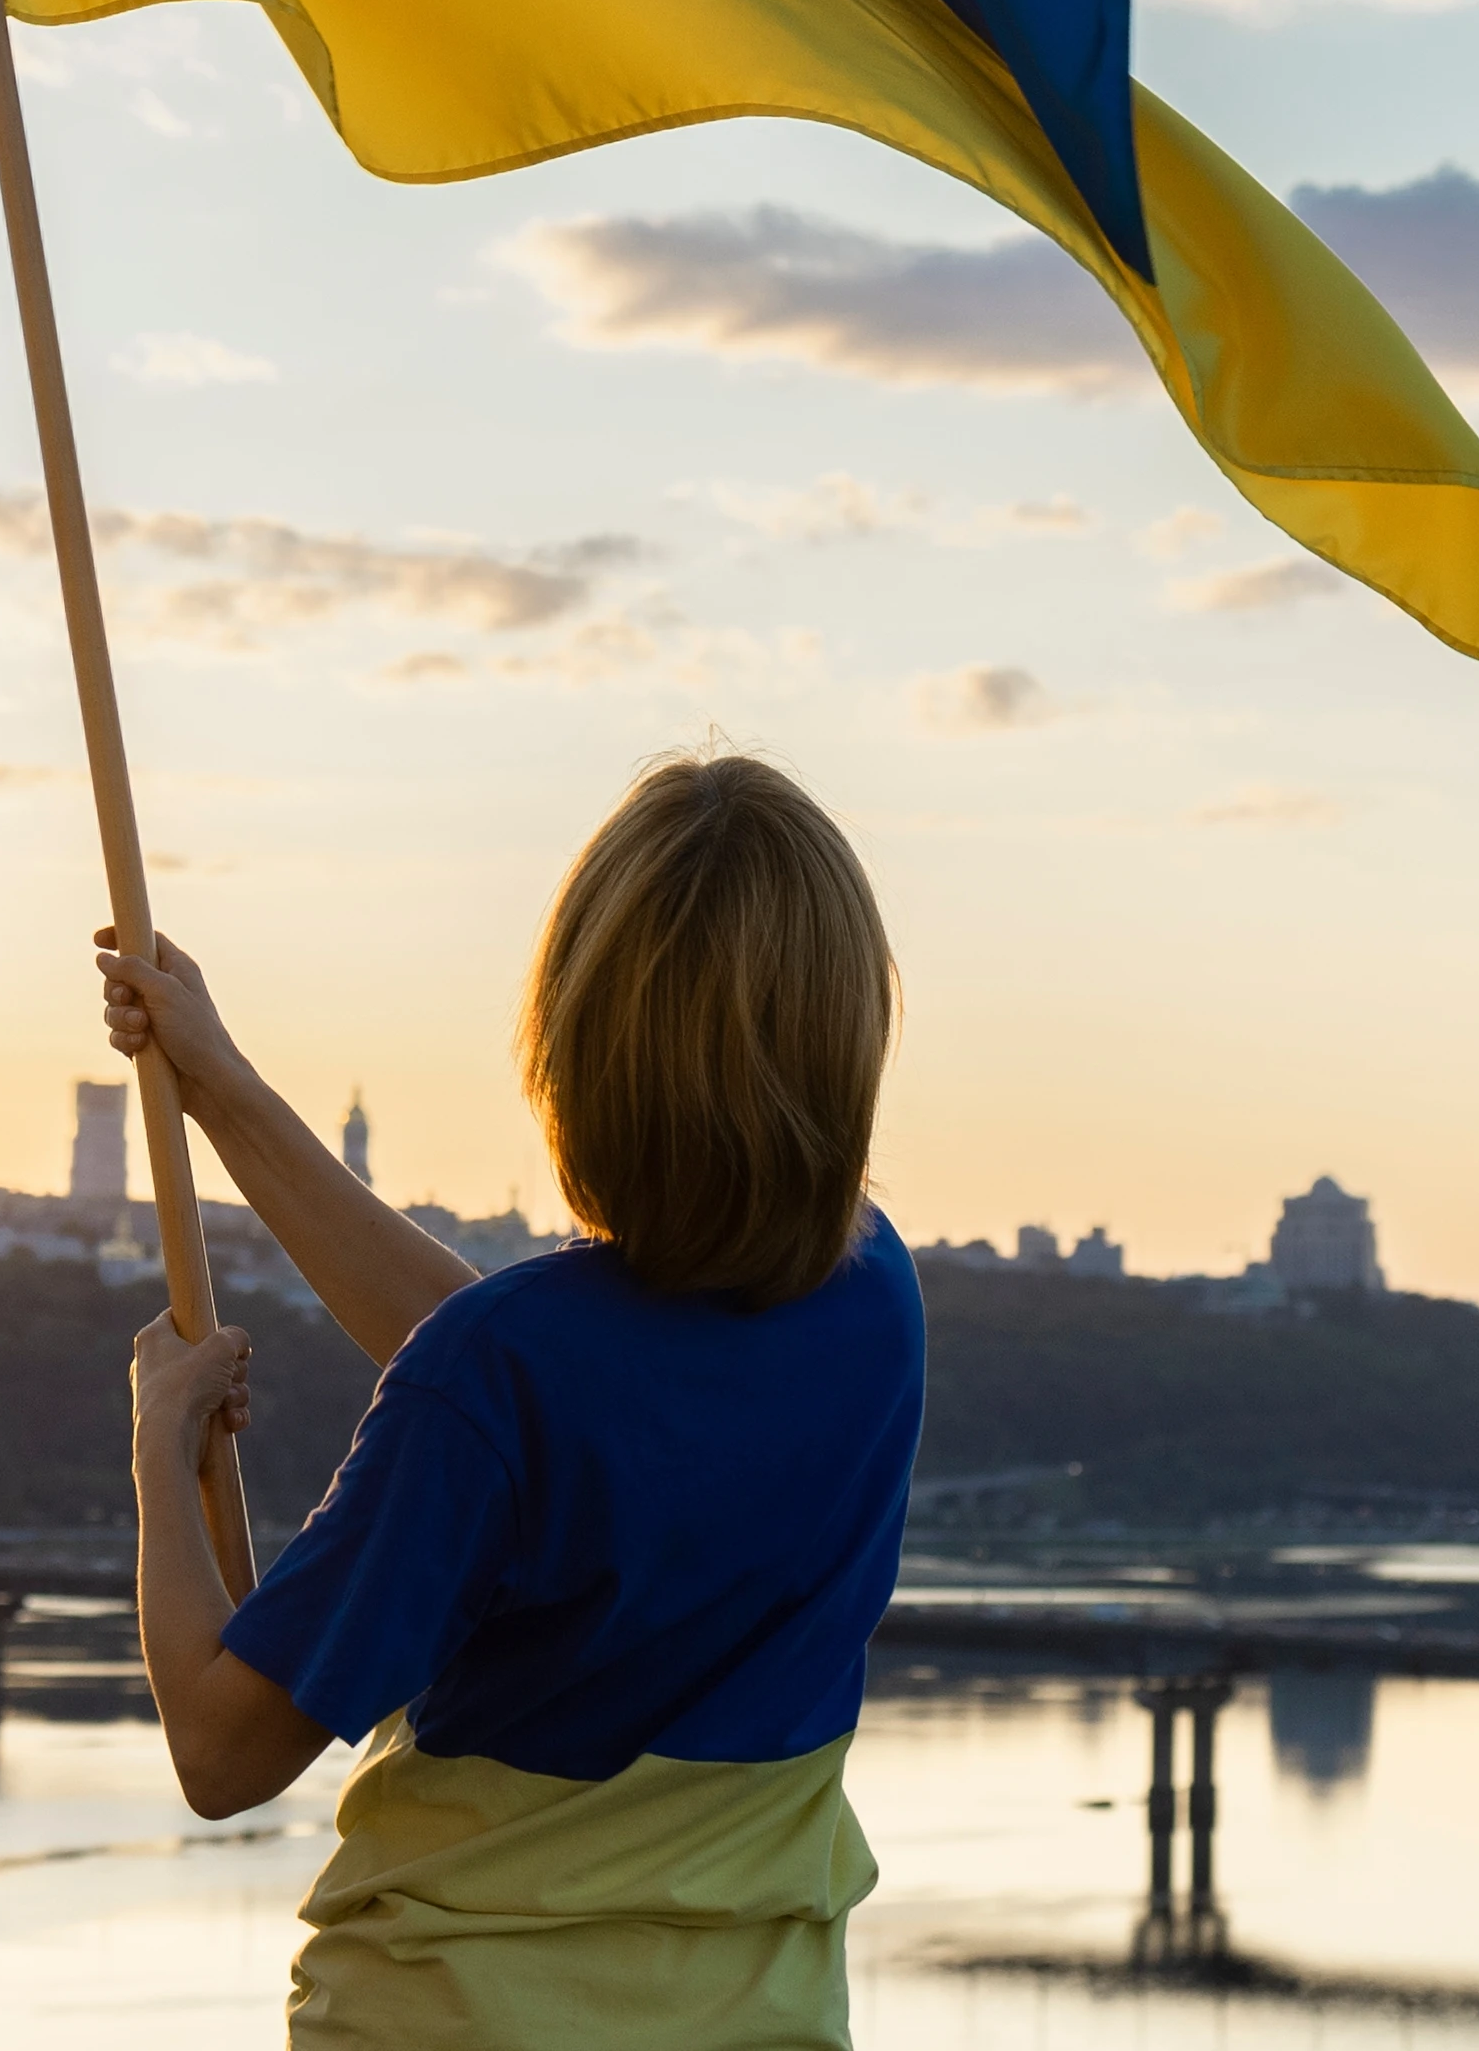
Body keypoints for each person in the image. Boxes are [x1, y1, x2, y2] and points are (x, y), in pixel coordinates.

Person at [100, 749, 925, 2046]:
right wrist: (223, 1091)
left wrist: (160, 1446)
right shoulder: (874, 1306)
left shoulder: (499, 1375)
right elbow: (550, 1383)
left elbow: (221, 1750)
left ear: (577, 1032)